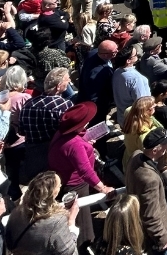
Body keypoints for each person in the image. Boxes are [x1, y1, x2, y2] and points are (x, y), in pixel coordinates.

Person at [47, 102, 113, 246]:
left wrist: (86, 143)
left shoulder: (62, 134)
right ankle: (84, 244)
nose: (88, 122)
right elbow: (85, 171)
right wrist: (103, 188)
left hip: (65, 179)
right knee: (82, 219)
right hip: (75, 185)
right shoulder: (74, 144)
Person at [124, 127, 167, 255]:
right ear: (155, 150)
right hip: (157, 231)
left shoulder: (136, 155)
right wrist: (162, 239)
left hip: (162, 221)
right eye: (166, 144)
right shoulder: (150, 180)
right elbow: (150, 216)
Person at [3, 171, 79, 255]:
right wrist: (71, 223)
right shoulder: (57, 222)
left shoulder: (17, 212)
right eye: (59, 186)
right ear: (53, 193)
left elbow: (9, 242)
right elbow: (69, 251)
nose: (61, 186)